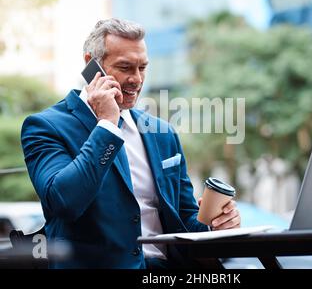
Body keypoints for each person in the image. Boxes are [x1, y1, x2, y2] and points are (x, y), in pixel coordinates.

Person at [21, 18, 240, 269]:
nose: (136, 79)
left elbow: (184, 218)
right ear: (91, 65)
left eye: (142, 67)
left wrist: (214, 224)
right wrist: (107, 125)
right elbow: (65, 202)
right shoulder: (45, 126)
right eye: (125, 67)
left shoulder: (162, 133)